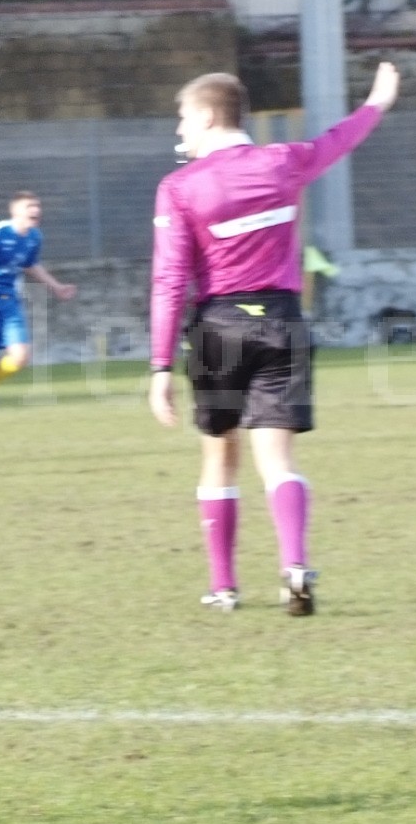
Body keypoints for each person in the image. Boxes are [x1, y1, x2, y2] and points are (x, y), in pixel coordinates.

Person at [148, 64, 401, 616]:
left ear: (210, 116)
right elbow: (337, 141)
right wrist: (376, 103)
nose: (179, 132)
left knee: (220, 456)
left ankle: (224, 586)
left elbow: (169, 279)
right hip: (283, 321)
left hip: (219, 327)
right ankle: (294, 564)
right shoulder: (282, 162)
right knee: (278, 459)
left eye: (184, 118)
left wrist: (160, 365)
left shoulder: (180, 188)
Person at [0, 192, 76, 429]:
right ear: (15, 211)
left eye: (38, 206)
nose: (36, 210)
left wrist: (56, 287)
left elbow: (31, 265)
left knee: (19, 358)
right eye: (30, 206)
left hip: (9, 299)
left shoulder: (34, 237)